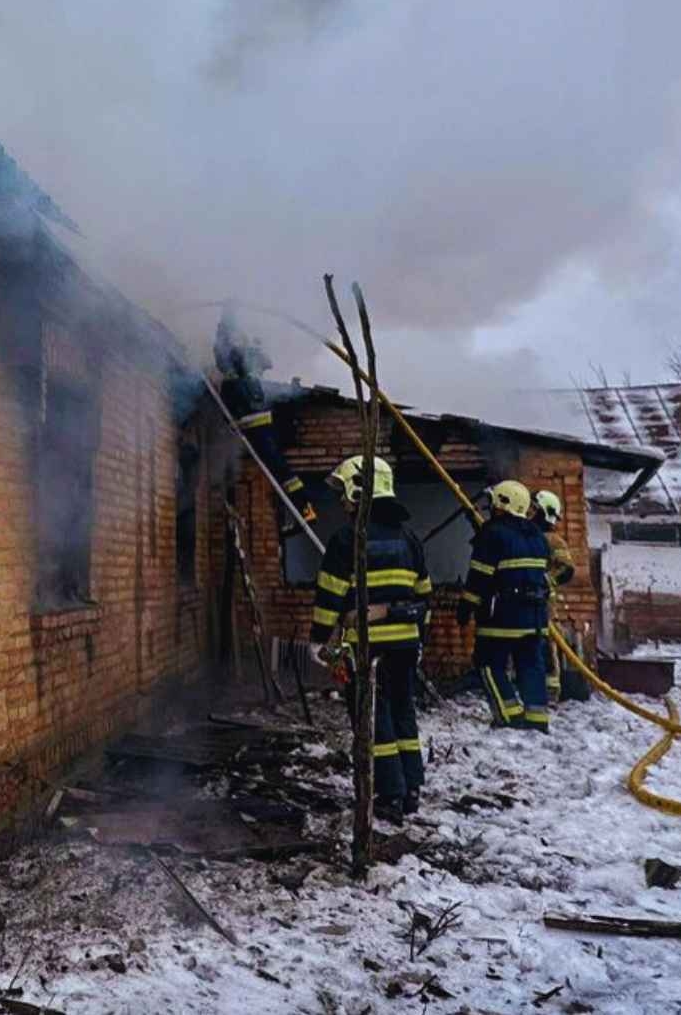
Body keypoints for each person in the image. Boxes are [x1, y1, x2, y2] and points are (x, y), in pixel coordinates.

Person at [311, 455, 433, 819]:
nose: (341, 501)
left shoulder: (347, 539)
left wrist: (318, 639)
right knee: (403, 711)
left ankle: (389, 794)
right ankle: (411, 789)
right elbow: (425, 597)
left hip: (367, 648)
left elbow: (329, 595)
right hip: (406, 644)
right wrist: (417, 636)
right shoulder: (410, 538)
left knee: (373, 718)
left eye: (344, 492)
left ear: (359, 489)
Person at [459, 480, 553, 731]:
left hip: (502, 616)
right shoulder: (538, 536)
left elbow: (479, 577)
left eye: (494, 503)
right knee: (531, 666)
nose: (491, 507)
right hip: (536, 618)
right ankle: (537, 719)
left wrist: (466, 608)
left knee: (488, 663)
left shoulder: (492, 533)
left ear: (503, 504)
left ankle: (509, 717)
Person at [214, 309, 311, 539]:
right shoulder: (248, 365)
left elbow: (222, 351)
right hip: (260, 423)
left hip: (254, 424)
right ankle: (304, 509)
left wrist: (225, 321)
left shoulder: (238, 363)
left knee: (278, 468)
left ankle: (304, 509)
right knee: (280, 468)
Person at [531, 489, 577, 703]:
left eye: (534, 509)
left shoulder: (553, 540)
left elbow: (567, 569)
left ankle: (550, 691)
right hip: (523, 602)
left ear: (544, 512)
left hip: (543, 604)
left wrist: (545, 581)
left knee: (545, 645)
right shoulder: (525, 537)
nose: (530, 513)